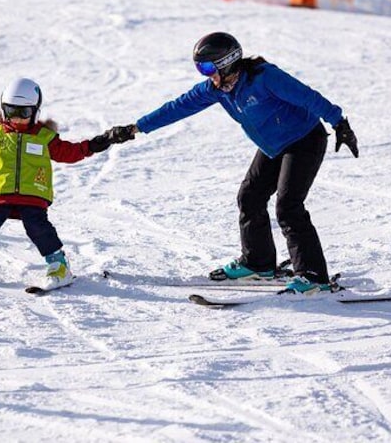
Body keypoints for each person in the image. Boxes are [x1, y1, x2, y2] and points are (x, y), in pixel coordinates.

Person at [107, 32, 358, 294]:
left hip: (305, 140)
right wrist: (136, 128)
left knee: (289, 207)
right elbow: (176, 107)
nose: (205, 75)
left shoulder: (264, 77)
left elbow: (308, 97)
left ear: (226, 62)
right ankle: (258, 264)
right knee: (250, 196)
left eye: (207, 68)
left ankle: (313, 276)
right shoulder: (216, 90)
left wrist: (339, 122)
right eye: (200, 69)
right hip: (273, 147)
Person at [0, 77, 124, 289]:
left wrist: (97, 143)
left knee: (38, 228)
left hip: (33, 193)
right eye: (12, 111)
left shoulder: (44, 137)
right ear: (3, 110)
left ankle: (59, 267)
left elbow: (70, 152)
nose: (18, 118)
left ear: (35, 112)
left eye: (24, 113)